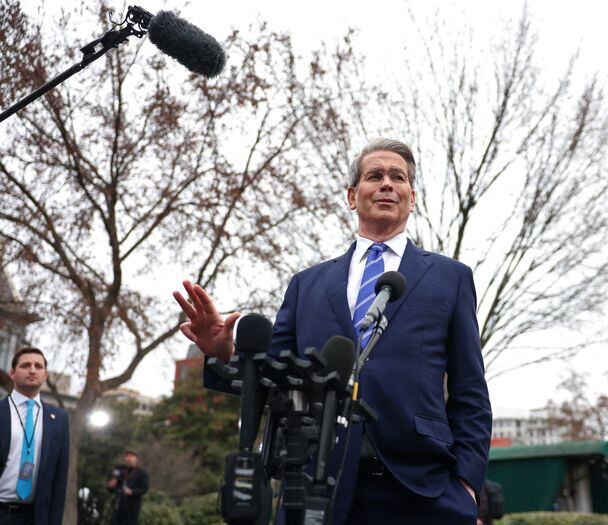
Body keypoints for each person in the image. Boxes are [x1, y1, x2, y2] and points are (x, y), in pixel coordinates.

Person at [174, 138, 492, 524]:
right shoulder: (306, 285)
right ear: (352, 196)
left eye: (399, 177)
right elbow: (275, 375)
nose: (387, 183)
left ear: (412, 197)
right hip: (312, 482)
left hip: (422, 490)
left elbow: (470, 392)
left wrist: (467, 486)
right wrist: (224, 352)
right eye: (375, 175)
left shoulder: (451, 278)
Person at [0, 347, 69, 525]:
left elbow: (59, 481)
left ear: (45, 375)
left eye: (38, 366)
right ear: (12, 373)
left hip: (35, 517)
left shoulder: (59, 419)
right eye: (25, 365)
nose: (32, 370)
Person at [106, 450, 149, 525]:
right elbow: (111, 487)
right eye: (127, 456)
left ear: (136, 458)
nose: (129, 459)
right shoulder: (119, 470)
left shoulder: (142, 473)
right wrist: (111, 485)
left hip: (132, 507)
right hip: (118, 505)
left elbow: (144, 489)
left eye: (131, 457)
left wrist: (131, 491)